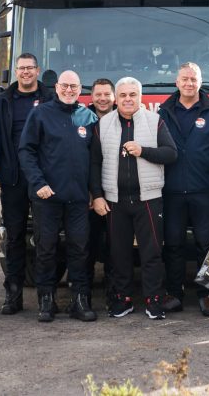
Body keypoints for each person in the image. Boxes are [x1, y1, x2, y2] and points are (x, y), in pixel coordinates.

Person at [90, 77, 178, 320]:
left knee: (151, 252)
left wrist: (143, 151)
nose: (128, 99)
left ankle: (154, 300)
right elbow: (94, 163)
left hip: (148, 199)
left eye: (133, 95)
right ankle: (122, 300)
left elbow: (171, 154)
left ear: (140, 98)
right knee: (118, 253)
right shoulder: (103, 124)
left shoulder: (155, 121)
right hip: (115, 200)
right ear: (116, 99)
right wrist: (97, 196)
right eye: (124, 95)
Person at [19, 70, 98, 322]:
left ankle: (79, 300)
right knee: (46, 249)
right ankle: (46, 301)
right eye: (64, 85)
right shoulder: (40, 114)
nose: (69, 90)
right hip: (47, 197)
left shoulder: (89, 117)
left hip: (77, 200)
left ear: (80, 89)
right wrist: (38, 183)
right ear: (56, 87)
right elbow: (26, 151)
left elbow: (95, 161)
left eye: (74, 86)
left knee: (80, 249)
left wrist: (94, 192)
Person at [158, 62, 209, 316]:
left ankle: (206, 294)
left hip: (204, 189)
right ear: (176, 82)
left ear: (200, 82)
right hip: (172, 190)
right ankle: (174, 294)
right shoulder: (163, 111)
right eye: (184, 79)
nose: (189, 83)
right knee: (173, 244)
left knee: (205, 243)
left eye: (193, 79)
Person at [0, 53, 54, 315]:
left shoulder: (51, 99)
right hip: (13, 180)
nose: (25, 72)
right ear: (15, 72)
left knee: (45, 238)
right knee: (14, 238)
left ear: (38, 71)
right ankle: (13, 296)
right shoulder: (2, 103)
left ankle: (45, 298)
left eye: (30, 68)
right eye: (21, 68)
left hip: (43, 180)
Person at [87, 78, 116, 299]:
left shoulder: (125, 118)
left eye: (107, 94)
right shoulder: (81, 118)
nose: (103, 98)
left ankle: (113, 292)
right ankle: (83, 294)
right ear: (92, 97)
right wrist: (90, 191)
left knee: (114, 246)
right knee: (87, 243)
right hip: (89, 194)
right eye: (98, 94)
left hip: (117, 193)